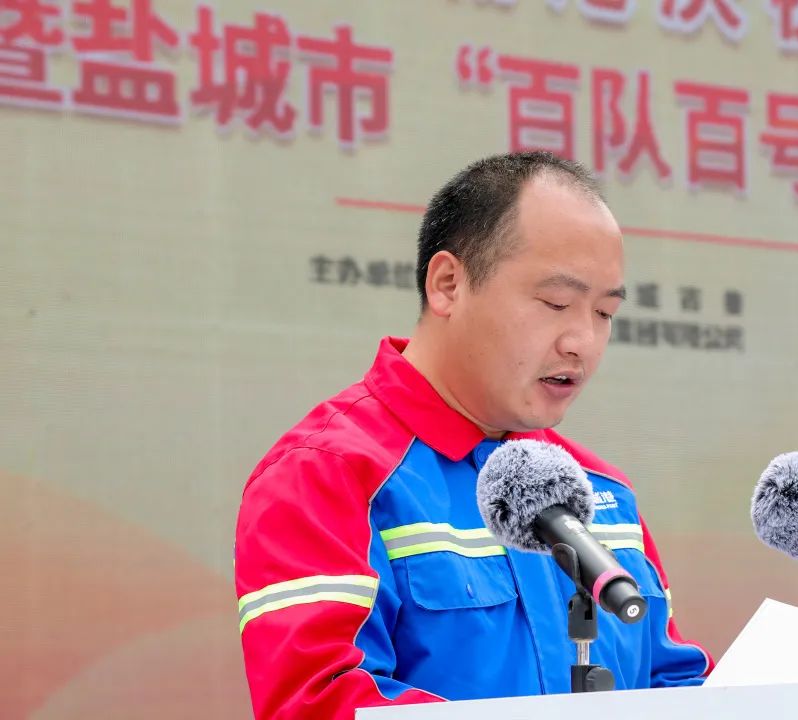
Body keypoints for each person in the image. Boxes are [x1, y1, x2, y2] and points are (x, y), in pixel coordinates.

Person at [234, 151, 713, 718]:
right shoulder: (327, 474)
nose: (582, 341)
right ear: (448, 284)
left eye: (605, 313)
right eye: (556, 303)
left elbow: (672, 682)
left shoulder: (602, 493)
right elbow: (318, 702)